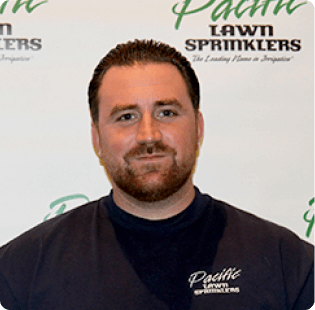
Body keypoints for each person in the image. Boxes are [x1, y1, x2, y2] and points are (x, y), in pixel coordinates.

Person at [0, 39, 314, 310]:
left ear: (198, 128)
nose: (148, 135)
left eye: (167, 113)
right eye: (126, 116)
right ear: (96, 138)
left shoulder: (289, 266)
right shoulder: (21, 271)